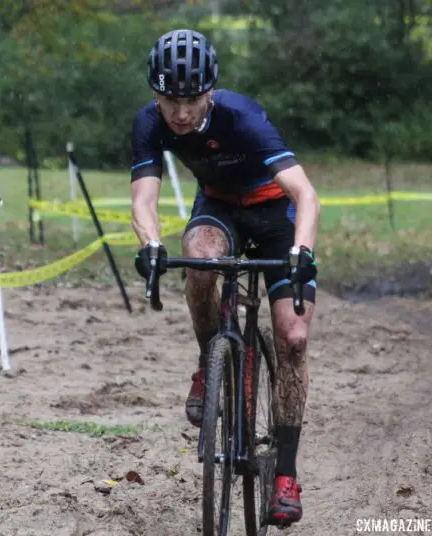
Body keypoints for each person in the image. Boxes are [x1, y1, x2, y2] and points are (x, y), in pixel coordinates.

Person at [129, 29, 320, 527]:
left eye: (191, 99)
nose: (182, 113)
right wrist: (150, 244)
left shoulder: (242, 117)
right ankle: (208, 358)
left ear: (209, 92)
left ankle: (286, 474)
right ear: (157, 95)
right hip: (219, 210)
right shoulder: (150, 124)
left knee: (294, 337)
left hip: (274, 217)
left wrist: (302, 250)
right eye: (171, 100)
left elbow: (305, 194)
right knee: (198, 259)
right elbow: (143, 200)